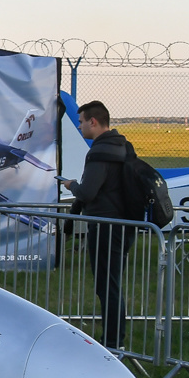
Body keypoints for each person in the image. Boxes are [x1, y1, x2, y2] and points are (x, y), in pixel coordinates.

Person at [62, 101, 137, 350]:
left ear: (93, 121)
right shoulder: (122, 146)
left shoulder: (100, 151)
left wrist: (71, 185)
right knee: (111, 283)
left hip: (105, 226)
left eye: (82, 121)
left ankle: (113, 344)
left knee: (107, 286)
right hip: (122, 225)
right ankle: (115, 340)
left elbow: (88, 191)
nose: (80, 125)